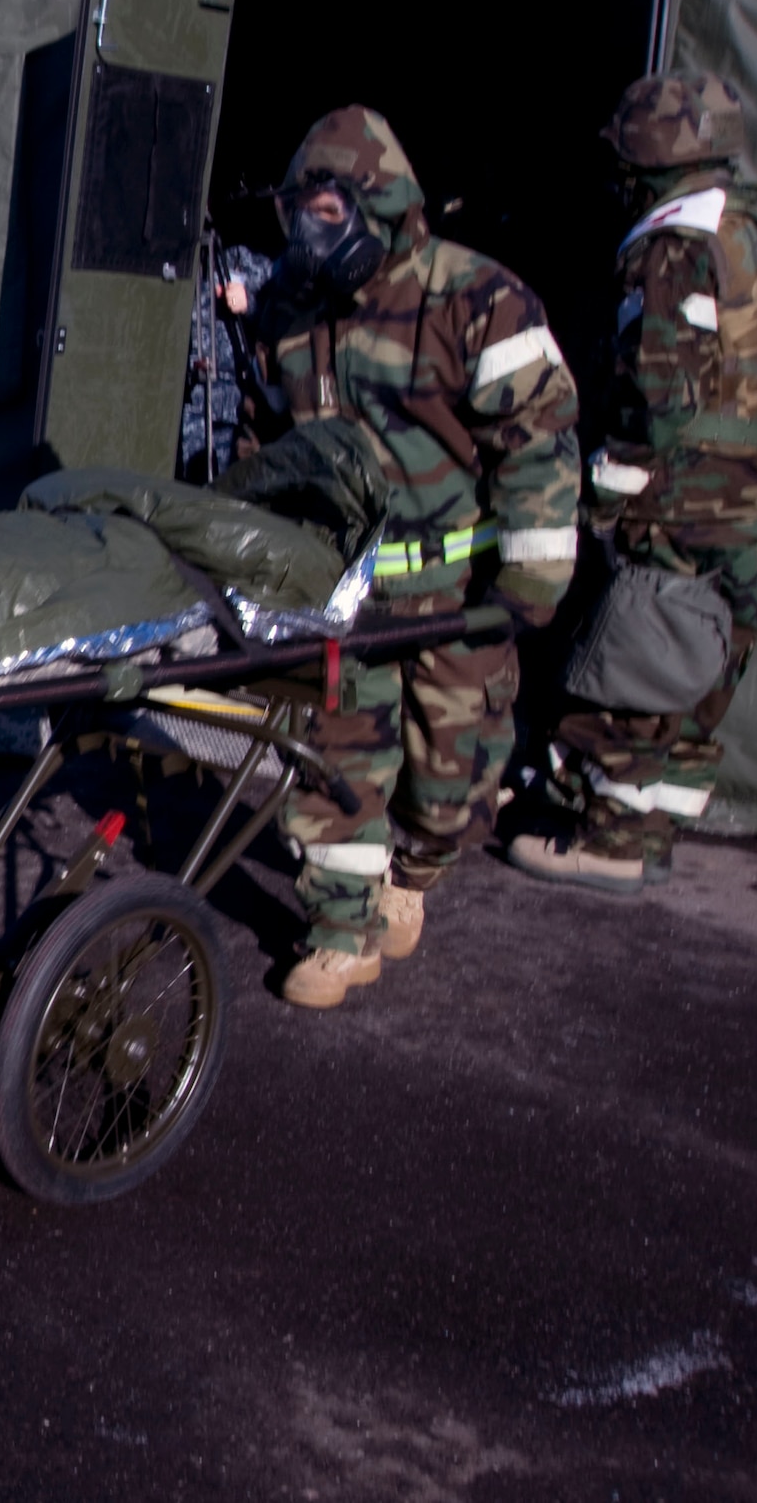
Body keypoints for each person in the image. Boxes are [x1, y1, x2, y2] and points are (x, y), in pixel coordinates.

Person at [259, 107, 580, 1009]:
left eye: (328, 212)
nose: (310, 235)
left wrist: (531, 580)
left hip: (457, 593)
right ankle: (337, 931)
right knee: (335, 765)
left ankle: (417, 868)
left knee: (450, 777)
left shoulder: (476, 296)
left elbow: (538, 436)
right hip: (347, 591)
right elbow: (275, 441)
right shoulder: (291, 307)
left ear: (383, 207)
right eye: (298, 214)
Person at [509, 74, 757, 893]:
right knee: (709, 657)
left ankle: (609, 837)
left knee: (637, 653)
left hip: (680, 488)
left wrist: (609, 486)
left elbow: (658, 390)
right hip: (750, 484)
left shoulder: (672, 244)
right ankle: (655, 827)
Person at [181, 243, 275, 481]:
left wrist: (248, 303)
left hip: (227, 402)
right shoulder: (170, 265)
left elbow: (284, 311)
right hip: (183, 401)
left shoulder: (239, 261)